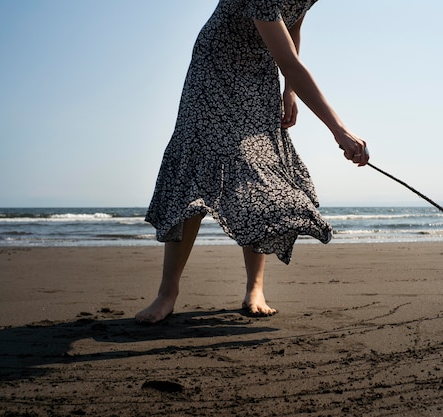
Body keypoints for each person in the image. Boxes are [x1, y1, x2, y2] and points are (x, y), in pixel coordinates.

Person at [135, 0, 369, 323]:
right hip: (213, 69)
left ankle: (254, 288)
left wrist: (290, 92)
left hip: (259, 72)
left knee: (258, 173)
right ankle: (167, 293)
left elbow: (293, 27)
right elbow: (289, 61)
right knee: (195, 170)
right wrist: (339, 130)